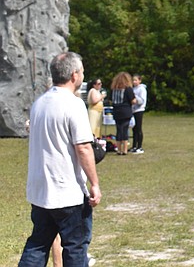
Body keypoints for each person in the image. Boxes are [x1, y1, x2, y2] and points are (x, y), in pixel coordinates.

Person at [19, 51, 102, 267]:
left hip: (40, 190)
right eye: (82, 71)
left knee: (38, 244)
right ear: (74, 75)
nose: (83, 76)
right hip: (67, 191)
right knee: (75, 246)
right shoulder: (73, 105)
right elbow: (83, 147)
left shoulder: (40, 103)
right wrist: (94, 183)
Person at [109, 72, 136, 155]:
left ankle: (119, 149)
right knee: (125, 130)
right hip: (126, 111)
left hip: (116, 112)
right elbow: (133, 100)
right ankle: (124, 150)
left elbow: (110, 101)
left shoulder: (113, 89)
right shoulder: (128, 89)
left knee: (118, 130)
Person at [130, 74, 147, 154]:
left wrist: (135, 99)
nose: (134, 82)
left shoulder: (142, 89)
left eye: (136, 80)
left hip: (139, 110)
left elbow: (142, 100)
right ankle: (134, 146)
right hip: (133, 110)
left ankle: (139, 147)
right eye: (133, 80)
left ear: (140, 81)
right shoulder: (133, 89)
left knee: (138, 128)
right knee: (134, 128)